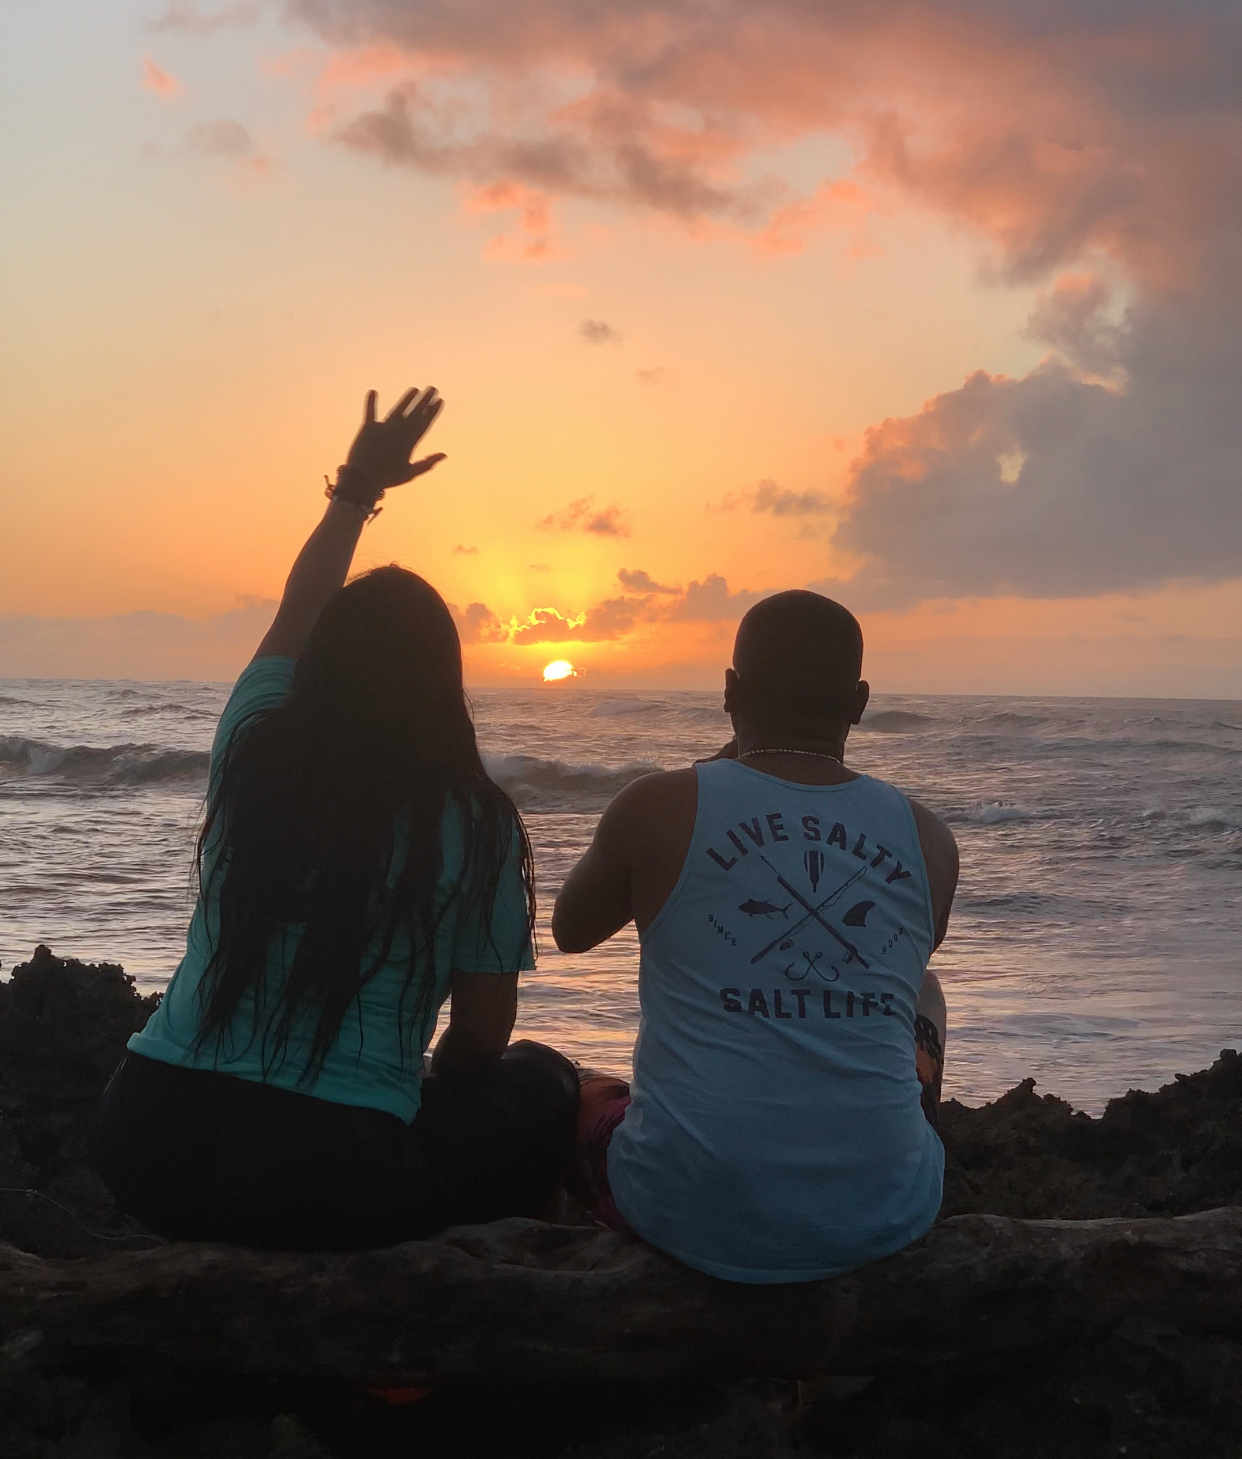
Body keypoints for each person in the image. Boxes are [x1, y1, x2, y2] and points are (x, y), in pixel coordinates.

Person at [94, 385, 578, 1252]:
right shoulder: (475, 823)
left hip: (145, 1139)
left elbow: (298, 605)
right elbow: (480, 1036)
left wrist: (356, 492)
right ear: (444, 684)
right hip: (327, 1178)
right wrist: (422, 1081)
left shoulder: (254, 744)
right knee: (543, 1079)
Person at [553, 590, 957, 1284]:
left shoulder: (658, 806)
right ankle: (875, 1143)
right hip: (886, 1211)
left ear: (729, 690)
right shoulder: (927, 837)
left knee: (572, 1093)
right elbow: (896, 965)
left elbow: (571, 931)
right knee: (923, 990)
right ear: (859, 703)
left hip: (684, 1206)